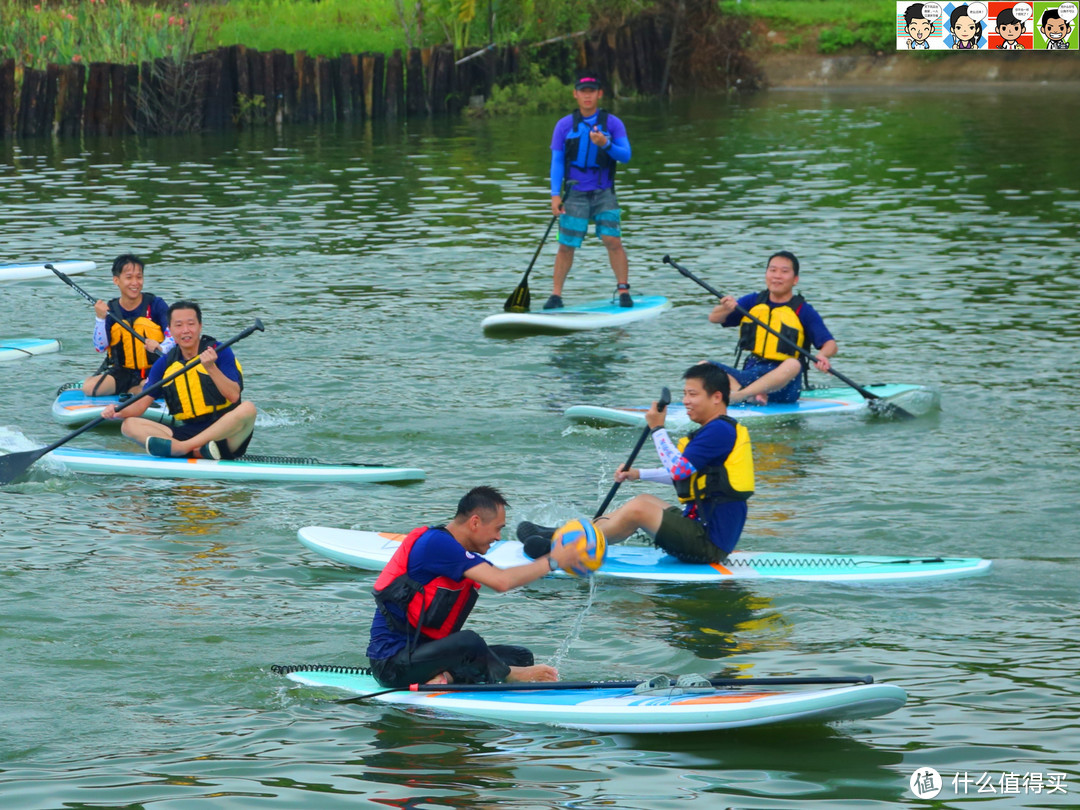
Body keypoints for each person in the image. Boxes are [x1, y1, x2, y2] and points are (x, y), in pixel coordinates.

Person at [519, 364, 753, 565]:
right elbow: (683, 474)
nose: (685, 401)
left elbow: (679, 469)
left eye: (692, 394)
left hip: (707, 544)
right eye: (684, 394)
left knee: (639, 509)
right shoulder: (715, 429)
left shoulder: (719, 430)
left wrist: (657, 429)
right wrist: (637, 474)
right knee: (643, 501)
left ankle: (565, 546)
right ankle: (562, 535)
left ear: (716, 397)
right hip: (702, 532)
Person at [366, 486, 582, 688]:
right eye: (497, 529)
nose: (498, 537)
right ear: (475, 522)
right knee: (469, 641)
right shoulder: (436, 543)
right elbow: (501, 582)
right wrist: (554, 561)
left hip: (427, 657)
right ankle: (504, 675)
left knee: (520, 657)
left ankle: (445, 678)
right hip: (393, 665)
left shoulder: (458, 553)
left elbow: (503, 576)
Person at [101, 300, 256, 460]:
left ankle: (183, 449)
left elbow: (233, 396)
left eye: (191, 324)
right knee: (129, 425)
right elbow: (140, 405)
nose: (186, 331)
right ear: (171, 330)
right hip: (187, 431)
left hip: (224, 434)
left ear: (200, 326)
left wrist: (211, 367)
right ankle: (195, 451)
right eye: (179, 325)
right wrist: (116, 411)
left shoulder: (220, 352)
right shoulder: (164, 364)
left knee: (248, 408)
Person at [545, 70, 633, 310]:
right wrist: (555, 195)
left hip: (604, 191)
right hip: (574, 193)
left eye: (591, 92)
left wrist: (606, 144)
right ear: (575, 94)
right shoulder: (564, 126)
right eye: (583, 92)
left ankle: (623, 289)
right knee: (566, 244)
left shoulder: (612, 124)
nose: (587, 96)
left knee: (612, 239)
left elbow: (625, 155)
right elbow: (557, 162)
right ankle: (556, 295)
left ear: (599, 94)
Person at [706, 250, 837, 405]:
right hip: (751, 373)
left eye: (784, 271)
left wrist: (822, 356)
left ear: (795, 280)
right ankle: (748, 394)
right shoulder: (753, 301)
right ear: (766, 274)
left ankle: (740, 395)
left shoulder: (803, 311)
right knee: (704, 367)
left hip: (785, 384)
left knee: (793, 364)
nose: (777, 276)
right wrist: (727, 308)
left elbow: (830, 344)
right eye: (772, 270)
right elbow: (714, 318)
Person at [82, 254, 173, 396]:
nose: (135, 283)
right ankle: (132, 389)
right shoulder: (111, 310)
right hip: (122, 371)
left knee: (149, 388)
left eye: (139, 277)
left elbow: (173, 336)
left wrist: (161, 347)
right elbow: (100, 347)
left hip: (153, 369)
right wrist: (100, 319)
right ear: (116, 280)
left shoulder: (156, 305)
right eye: (129, 277)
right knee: (90, 389)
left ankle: (136, 390)